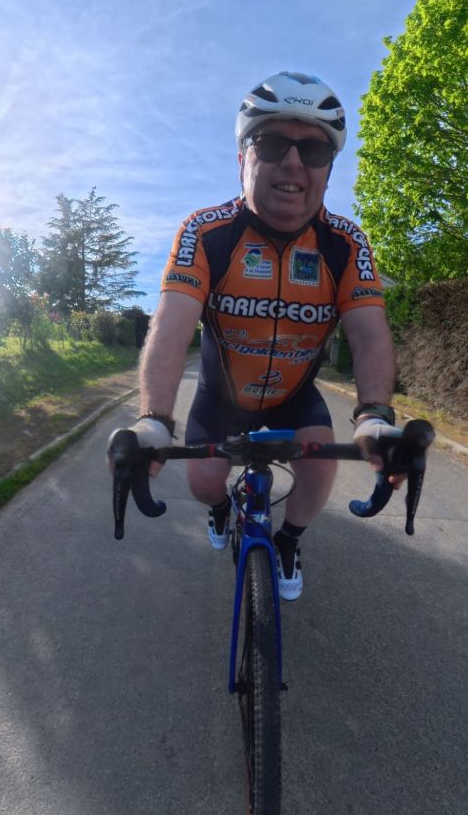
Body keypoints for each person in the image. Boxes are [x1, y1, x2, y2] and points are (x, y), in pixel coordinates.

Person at [117, 71, 401, 600]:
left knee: (319, 468)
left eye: (314, 150)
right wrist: (154, 418)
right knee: (203, 483)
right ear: (242, 158)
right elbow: (171, 327)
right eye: (271, 143)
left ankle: (289, 540)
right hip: (220, 399)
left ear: (329, 170)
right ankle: (221, 509)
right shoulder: (207, 231)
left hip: (295, 399)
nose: (293, 162)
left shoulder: (346, 243)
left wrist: (375, 416)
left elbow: (368, 335)